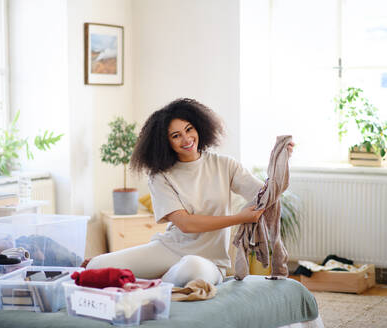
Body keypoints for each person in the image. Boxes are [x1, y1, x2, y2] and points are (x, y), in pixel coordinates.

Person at [86, 98, 294, 286]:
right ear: (165, 142)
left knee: (191, 269)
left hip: (209, 261)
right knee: (96, 266)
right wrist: (239, 218)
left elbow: (265, 196)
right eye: (176, 136)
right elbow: (186, 224)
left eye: (189, 129)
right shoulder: (160, 176)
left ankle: (158, 281)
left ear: (199, 128)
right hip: (169, 249)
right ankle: (159, 277)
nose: (186, 139)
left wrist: (281, 161)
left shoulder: (225, 165)